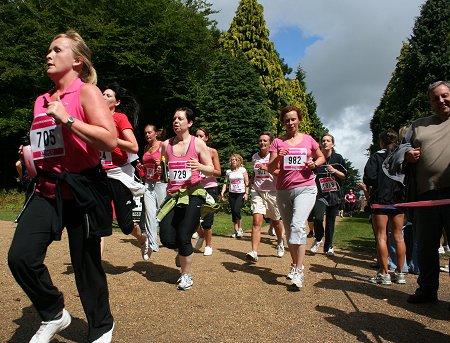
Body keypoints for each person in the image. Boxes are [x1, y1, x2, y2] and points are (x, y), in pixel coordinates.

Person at [8, 31, 116, 342]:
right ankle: (54, 313)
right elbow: (48, 146)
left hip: (83, 188)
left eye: (57, 50)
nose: (49, 55)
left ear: (77, 61)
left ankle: (102, 326)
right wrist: (30, 153)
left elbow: (107, 140)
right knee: (20, 257)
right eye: (48, 50)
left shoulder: (87, 93)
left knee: (86, 266)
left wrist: (67, 119)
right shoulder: (41, 100)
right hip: (47, 189)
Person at [402, 81, 450, 305]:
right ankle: (427, 290)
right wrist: (407, 155)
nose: (441, 101)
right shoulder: (418, 125)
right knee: (426, 246)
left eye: (445, 95)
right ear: (430, 102)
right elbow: (399, 151)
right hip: (425, 196)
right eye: (435, 98)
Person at [268, 105, 325, 290]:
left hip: (306, 188)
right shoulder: (277, 142)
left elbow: (321, 157)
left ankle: (299, 271)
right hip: (284, 189)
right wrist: (279, 158)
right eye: (287, 120)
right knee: (290, 229)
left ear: (299, 120)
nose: (290, 122)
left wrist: (313, 163)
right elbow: (270, 168)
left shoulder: (308, 139)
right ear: (283, 122)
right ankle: (294, 264)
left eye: (293, 119)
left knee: (297, 225)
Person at [157, 108, 214, 290]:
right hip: (174, 196)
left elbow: (211, 169)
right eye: (174, 118)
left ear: (189, 123)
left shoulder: (198, 144)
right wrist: (161, 172)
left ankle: (186, 275)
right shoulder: (166, 145)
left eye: (180, 119)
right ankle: (182, 251)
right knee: (166, 237)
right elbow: (166, 171)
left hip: (193, 194)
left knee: (183, 236)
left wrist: (199, 166)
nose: (176, 121)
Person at [101, 83, 147, 259]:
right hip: (100, 175)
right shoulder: (93, 118)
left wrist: (112, 140)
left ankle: (142, 239)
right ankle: (95, 265)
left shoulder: (119, 118)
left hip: (118, 174)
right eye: (102, 94)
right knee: (99, 222)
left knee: (126, 226)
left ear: (117, 102)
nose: (103, 97)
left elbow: (134, 147)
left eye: (108, 96)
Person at [364, 129, 406, 285]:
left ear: (381, 142)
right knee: (398, 236)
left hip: (380, 199)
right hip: (399, 200)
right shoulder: (402, 156)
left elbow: (369, 177)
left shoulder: (376, 157)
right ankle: (400, 273)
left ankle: (384, 273)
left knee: (381, 236)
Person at [246, 131, 285, 262]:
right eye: (260, 140)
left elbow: (280, 173)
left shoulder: (274, 157)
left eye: (265, 141)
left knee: (276, 221)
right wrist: (250, 182)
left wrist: (267, 168)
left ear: (270, 143)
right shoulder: (254, 157)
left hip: (273, 192)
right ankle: (254, 252)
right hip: (257, 191)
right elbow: (255, 173)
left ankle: (280, 242)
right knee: (256, 221)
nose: (262, 143)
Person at [310, 134, 347, 256]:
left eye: (328, 141)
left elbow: (345, 175)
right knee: (318, 217)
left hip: (334, 194)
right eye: (323, 140)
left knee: (330, 221)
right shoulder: (317, 158)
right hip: (320, 194)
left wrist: (335, 171)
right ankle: (319, 238)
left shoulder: (338, 158)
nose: (325, 142)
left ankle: (329, 246)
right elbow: (310, 174)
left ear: (332, 144)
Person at [140, 124, 167, 258]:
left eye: (149, 132)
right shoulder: (145, 147)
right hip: (148, 183)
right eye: (145, 133)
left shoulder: (163, 146)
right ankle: (151, 243)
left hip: (161, 183)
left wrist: (162, 166)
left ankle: (176, 238)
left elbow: (170, 163)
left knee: (163, 213)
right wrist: (142, 170)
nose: (147, 135)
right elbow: (145, 167)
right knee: (149, 213)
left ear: (156, 133)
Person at [193, 128, 221, 256]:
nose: (198, 138)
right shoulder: (191, 152)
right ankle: (201, 235)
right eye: (196, 135)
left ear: (206, 138)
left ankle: (208, 245)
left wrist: (204, 169)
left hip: (210, 187)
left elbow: (218, 172)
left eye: (201, 136)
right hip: (196, 187)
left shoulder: (212, 152)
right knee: (193, 218)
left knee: (207, 219)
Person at [221, 154, 249, 238]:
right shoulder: (228, 171)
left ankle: (240, 229)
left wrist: (246, 193)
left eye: (236, 160)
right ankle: (236, 230)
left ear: (239, 161)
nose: (234, 161)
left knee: (237, 210)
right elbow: (225, 182)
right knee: (233, 212)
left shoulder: (242, 170)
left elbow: (247, 182)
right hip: (232, 193)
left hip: (241, 193)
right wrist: (222, 192)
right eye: (232, 159)